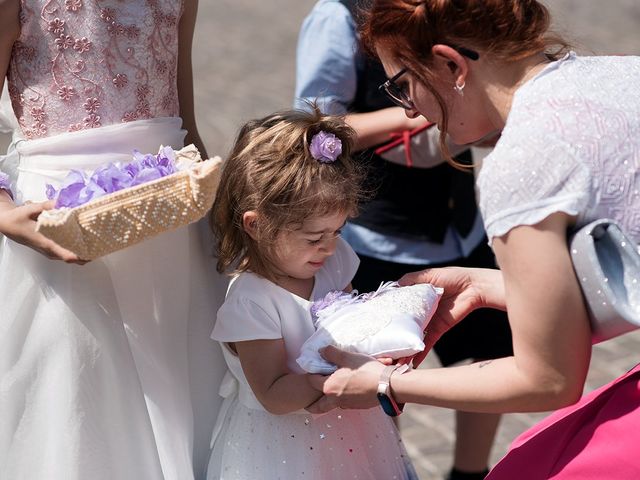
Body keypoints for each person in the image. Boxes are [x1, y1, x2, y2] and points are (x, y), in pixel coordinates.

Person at [305, 0, 640, 478]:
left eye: (403, 86)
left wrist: (385, 384)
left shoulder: (522, 160)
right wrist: (492, 285)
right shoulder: (624, 72)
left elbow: (547, 379)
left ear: (450, 64)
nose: (409, 109)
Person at [0, 1, 226, 479]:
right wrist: (6, 214)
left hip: (168, 209)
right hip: (62, 218)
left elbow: (183, 115)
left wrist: (212, 209)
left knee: (180, 383)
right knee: (83, 392)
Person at [294, 1, 512, 478]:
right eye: (401, 88)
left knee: (494, 348)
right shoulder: (337, 16)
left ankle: (470, 473)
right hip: (378, 236)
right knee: (374, 372)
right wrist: (413, 115)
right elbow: (312, 132)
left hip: (461, 227)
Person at [205, 107, 418, 480]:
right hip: (282, 444)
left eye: (337, 232)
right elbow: (271, 392)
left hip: (351, 425)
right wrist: (334, 384)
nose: (329, 247)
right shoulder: (252, 301)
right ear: (256, 225)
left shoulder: (332, 263)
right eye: (314, 237)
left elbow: (354, 322)